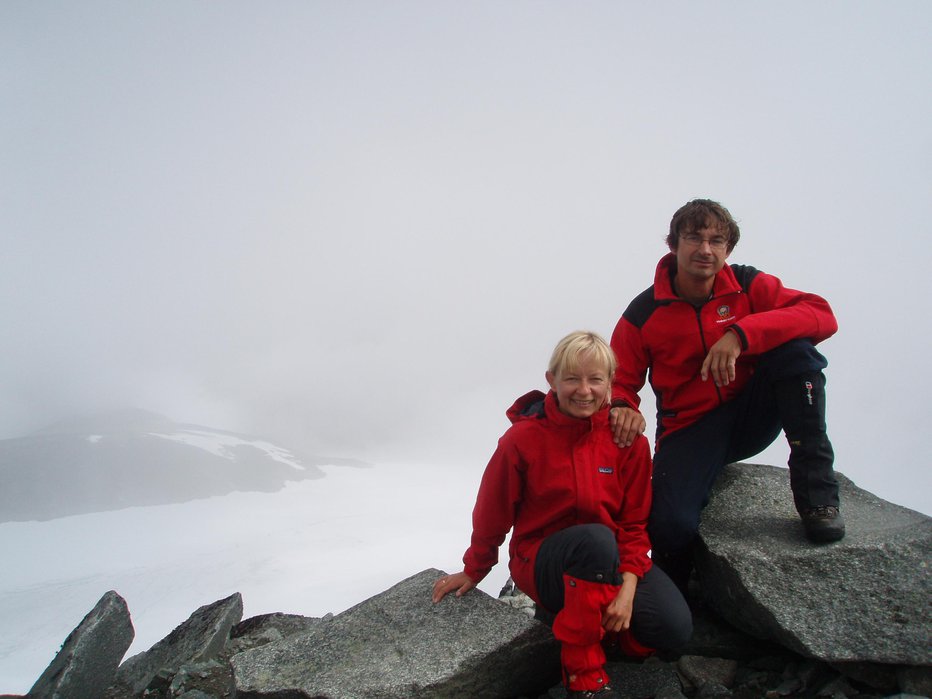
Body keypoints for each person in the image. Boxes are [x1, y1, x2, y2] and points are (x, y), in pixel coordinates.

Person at [432, 331, 691, 699]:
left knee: (673, 629)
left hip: (610, 562)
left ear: (611, 383)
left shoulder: (627, 440)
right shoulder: (522, 440)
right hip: (540, 561)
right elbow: (493, 510)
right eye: (572, 378)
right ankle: (583, 676)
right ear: (552, 380)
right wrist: (475, 568)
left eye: (595, 379)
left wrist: (628, 591)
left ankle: (598, 630)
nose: (584, 390)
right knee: (595, 541)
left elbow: (633, 523)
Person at [609, 198, 844, 593]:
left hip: (753, 411)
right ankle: (681, 596)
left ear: (728, 249)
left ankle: (817, 497)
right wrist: (622, 406)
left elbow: (821, 314)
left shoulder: (749, 285)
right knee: (669, 526)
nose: (706, 249)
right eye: (694, 238)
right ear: (673, 245)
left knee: (796, 352)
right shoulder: (644, 311)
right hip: (691, 429)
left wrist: (741, 334)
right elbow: (618, 378)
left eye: (717, 241)